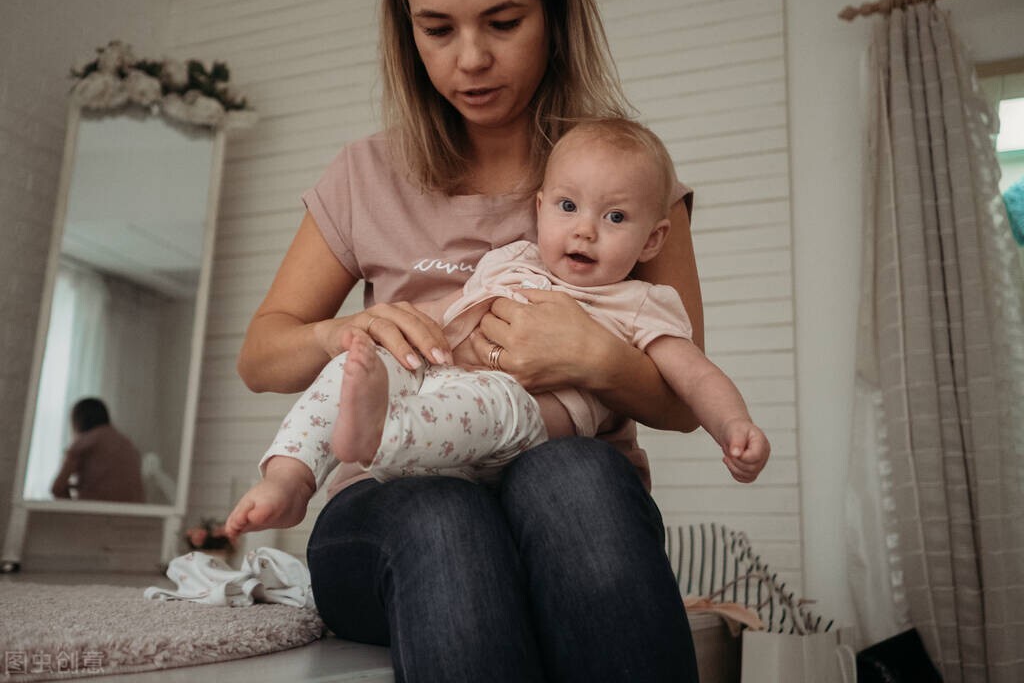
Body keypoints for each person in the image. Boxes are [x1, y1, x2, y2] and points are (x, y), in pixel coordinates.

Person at [230, 0, 706, 679]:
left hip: (567, 505)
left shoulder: (626, 186)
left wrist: (596, 357)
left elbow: (686, 401)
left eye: (503, 22)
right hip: (390, 510)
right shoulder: (364, 174)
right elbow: (260, 355)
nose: (472, 60)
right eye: (437, 29)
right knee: (444, 515)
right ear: (406, 31)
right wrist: (343, 334)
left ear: (555, 14)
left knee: (573, 473)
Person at [236, 119, 769, 494]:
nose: (585, 228)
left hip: (518, 423)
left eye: (615, 219)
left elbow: (695, 377)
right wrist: (383, 337)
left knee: (493, 410)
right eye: (567, 207)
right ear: (539, 210)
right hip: (439, 376)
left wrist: (735, 426)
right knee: (348, 365)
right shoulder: (515, 259)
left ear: (653, 241)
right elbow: (451, 308)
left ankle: (381, 436)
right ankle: (290, 473)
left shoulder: (637, 305)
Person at [51, 397, 145, 503]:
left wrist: (73, 506)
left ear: (78, 421)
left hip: (95, 514)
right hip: (132, 514)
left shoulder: (85, 442)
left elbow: (57, 488)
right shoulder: (127, 444)